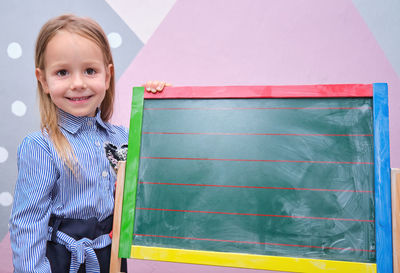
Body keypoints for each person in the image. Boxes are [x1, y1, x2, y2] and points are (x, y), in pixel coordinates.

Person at [9, 14, 167, 273]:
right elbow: (28, 225)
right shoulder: (41, 147)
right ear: (43, 80)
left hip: (110, 258)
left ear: (107, 76)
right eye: (62, 72)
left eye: (90, 71)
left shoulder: (124, 138)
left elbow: (166, 171)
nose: (78, 83)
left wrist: (162, 106)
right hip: (63, 261)